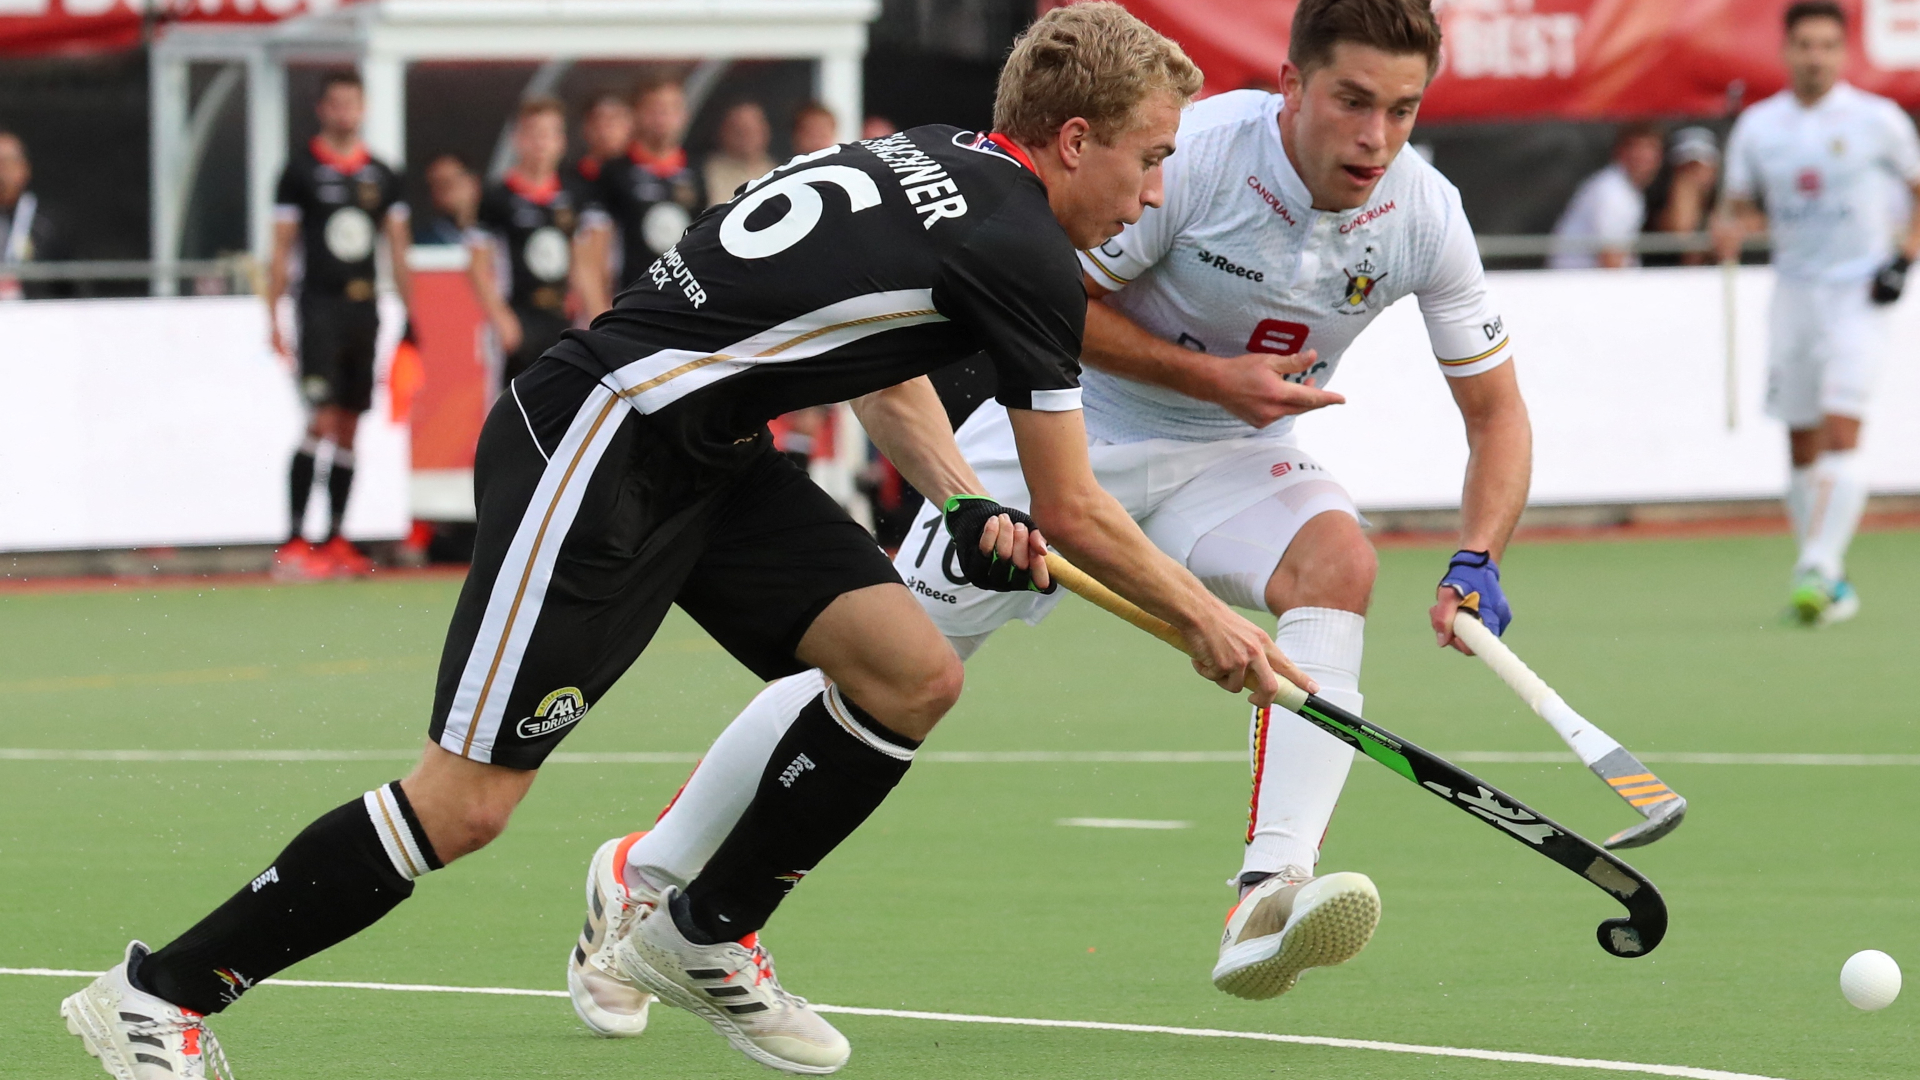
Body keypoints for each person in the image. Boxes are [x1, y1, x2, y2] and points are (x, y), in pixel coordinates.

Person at [59, 6, 1290, 1078]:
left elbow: (884, 365)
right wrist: (1208, 622)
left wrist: (962, 504)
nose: (1151, 193)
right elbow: (1074, 509)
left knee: (909, 670)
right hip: (601, 445)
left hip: (710, 453)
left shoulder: (933, 159)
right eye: (1147, 159)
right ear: (1074, 140)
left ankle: (698, 930)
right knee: (469, 804)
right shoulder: (1023, 244)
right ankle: (158, 995)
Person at [581, 0, 1528, 1032]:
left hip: (1235, 455)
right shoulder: (1188, 155)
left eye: (1402, 109)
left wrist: (1478, 553)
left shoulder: (1423, 212)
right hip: (1065, 427)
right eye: (1352, 101)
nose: (1376, 136)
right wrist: (1212, 380)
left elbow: (1497, 411)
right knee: (877, 665)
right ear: (1293, 87)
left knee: (1336, 565)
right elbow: (1048, 301)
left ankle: (1269, 897)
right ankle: (643, 870)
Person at [1713, 0, 1920, 625]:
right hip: (1795, 293)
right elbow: (1740, 206)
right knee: (1800, 440)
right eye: (1805, 45)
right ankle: (1831, 579)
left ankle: (1819, 567)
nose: (1815, 57)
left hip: (1859, 292)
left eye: (1828, 46)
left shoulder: (1878, 120)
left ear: (1843, 51)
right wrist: (1729, 227)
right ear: (1786, 51)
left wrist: (1902, 258)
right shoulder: (1759, 127)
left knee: (1841, 430)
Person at [266, 71, 412, 579]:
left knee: (351, 424)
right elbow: (282, 248)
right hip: (319, 309)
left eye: (354, 103)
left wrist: (410, 315)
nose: (346, 113)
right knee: (320, 418)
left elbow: (396, 247)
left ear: (363, 108)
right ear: (322, 109)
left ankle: (335, 539)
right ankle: (292, 539)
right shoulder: (299, 171)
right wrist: (273, 314)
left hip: (363, 309)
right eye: (337, 104)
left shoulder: (382, 174)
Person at [466, 96, 611, 387]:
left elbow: (584, 266)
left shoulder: (575, 195)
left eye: (550, 134)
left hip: (562, 320)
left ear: (562, 141)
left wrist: (599, 319)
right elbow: (477, 267)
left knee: (561, 407)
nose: (541, 143)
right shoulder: (496, 196)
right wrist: (501, 318)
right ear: (518, 140)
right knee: (506, 407)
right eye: (534, 134)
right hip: (517, 316)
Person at [596, 75, 704, 293]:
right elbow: (595, 249)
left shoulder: (696, 170)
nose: (663, 117)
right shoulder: (614, 172)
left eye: (672, 108)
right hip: (630, 296)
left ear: (684, 115)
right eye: (655, 108)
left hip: (683, 299)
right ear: (636, 114)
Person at [1549, 121, 1662, 268]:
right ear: (1620, 152)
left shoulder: (1625, 189)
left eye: (1650, 150)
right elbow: (1610, 258)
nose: (1644, 158)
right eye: (1637, 150)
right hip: (1579, 285)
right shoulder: (1612, 192)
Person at [0, 130, 66, 301]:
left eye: (6, 163)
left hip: (35, 318)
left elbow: (67, 285)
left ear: (23, 168)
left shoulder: (46, 224)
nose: (1, 173)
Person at [1653, 126, 1720, 264]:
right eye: (1686, 166)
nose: (1692, 174)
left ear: (1714, 168)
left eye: (1699, 165)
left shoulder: (1725, 199)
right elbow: (1682, 233)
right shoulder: (1656, 201)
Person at [701, 100, 776, 208]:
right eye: (738, 129)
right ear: (724, 131)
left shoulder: (780, 172)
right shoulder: (704, 172)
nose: (746, 136)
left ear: (765, 131)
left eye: (751, 130)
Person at [413, 153, 479, 245]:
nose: (446, 191)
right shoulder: (423, 243)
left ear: (474, 183)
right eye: (437, 184)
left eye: (450, 181)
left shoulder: (499, 233)